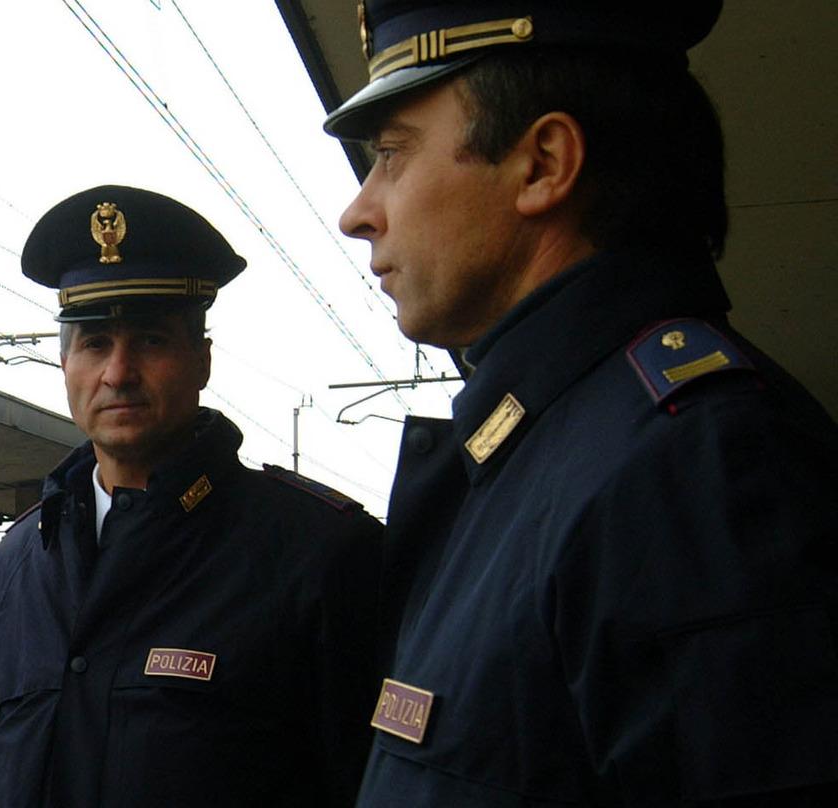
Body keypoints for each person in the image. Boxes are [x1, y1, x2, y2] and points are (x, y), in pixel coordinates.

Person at [324, 2, 838, 804]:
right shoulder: (561, 448)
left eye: (391, 154)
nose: (358, 212)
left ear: (544, 164)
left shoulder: (694, 468)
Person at [0, 185, 383, 806]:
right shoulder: (10, 576)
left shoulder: (320, 558)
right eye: (94, 343)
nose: (118, 372)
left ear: (203, 360)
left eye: (152, 340)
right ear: (65, 365)